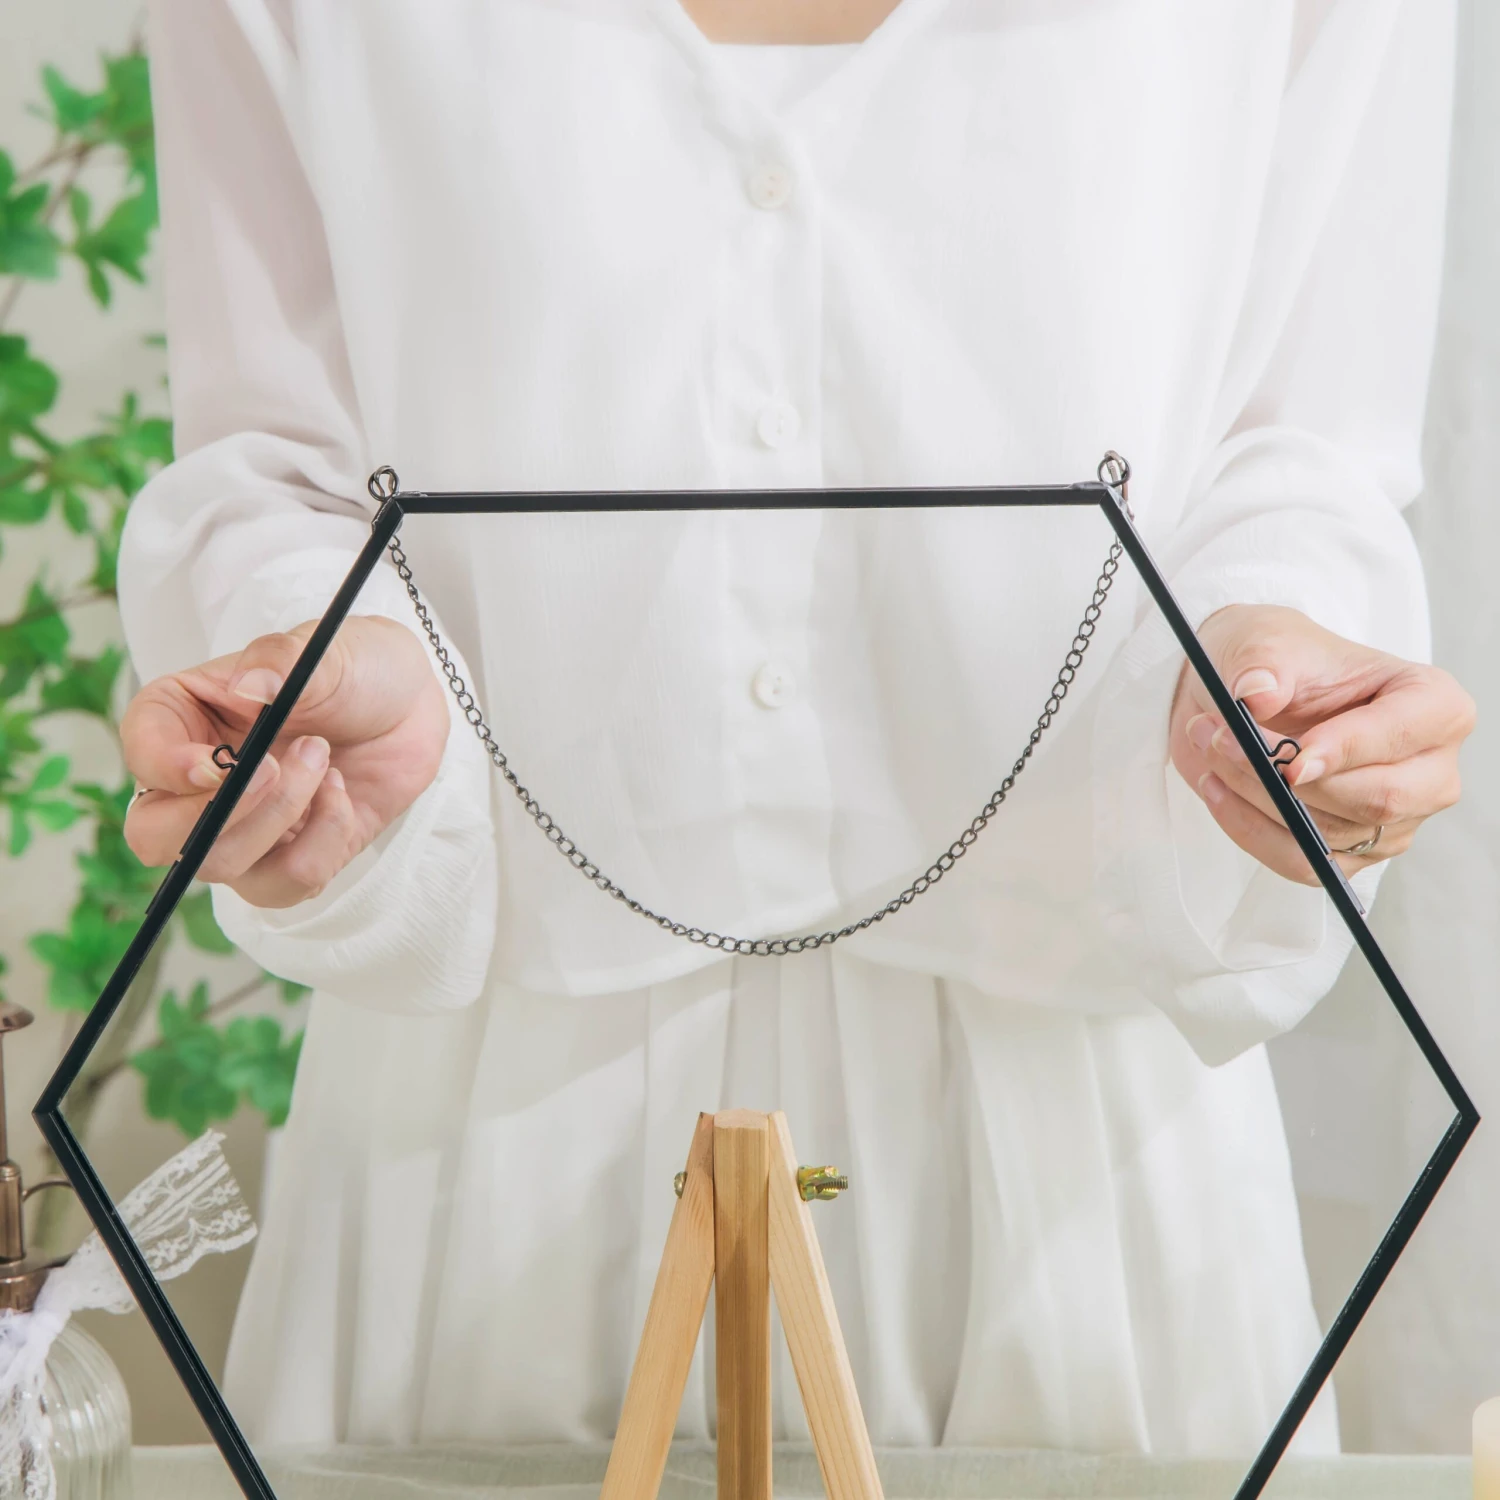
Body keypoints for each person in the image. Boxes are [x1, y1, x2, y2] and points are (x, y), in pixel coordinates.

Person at [119, 0, 1473, 1457]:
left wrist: (1276, 656)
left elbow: (1301, 449)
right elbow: (272, 454)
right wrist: (324, 677)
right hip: (485, 1147)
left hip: (1084, 1151)